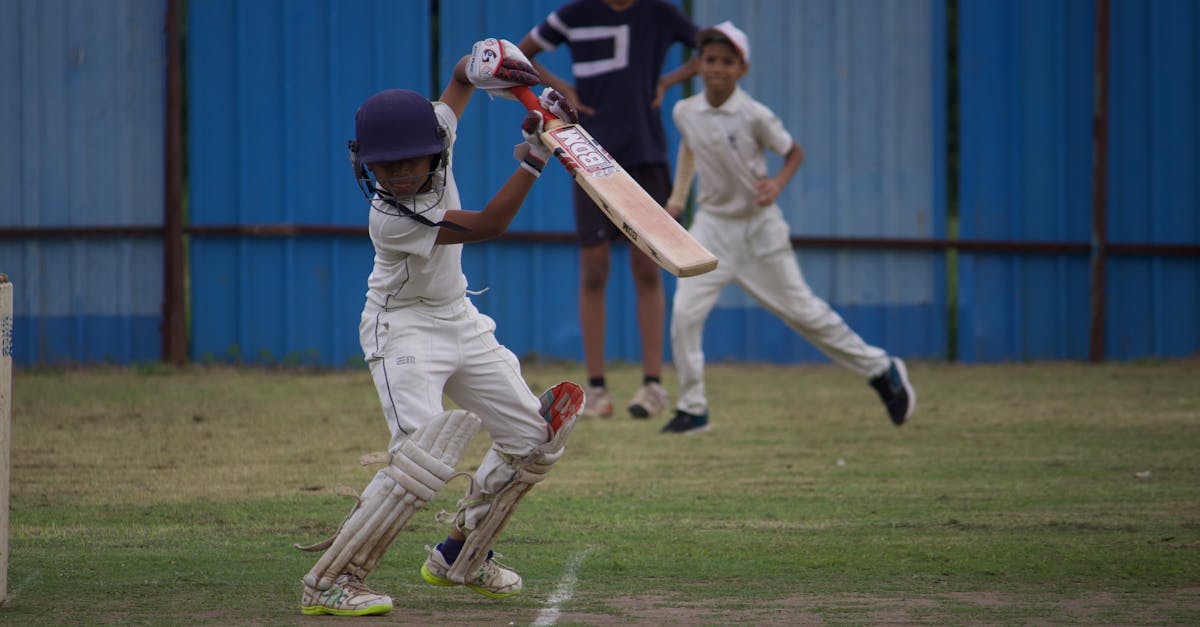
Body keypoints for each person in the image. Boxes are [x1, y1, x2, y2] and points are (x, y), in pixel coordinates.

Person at [296, 39, 585, 616]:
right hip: (401, 329)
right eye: (384, 165)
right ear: (365, 165)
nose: (400, 174)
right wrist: (536, 153)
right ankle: (331, 581)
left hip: (459, 316)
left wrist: (482, 64)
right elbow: (487, 226)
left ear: (433, 150)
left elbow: (460, 82)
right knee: (421, 459)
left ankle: (461, 554)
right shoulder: (390, 217)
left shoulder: (438, 132)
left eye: (410, 162)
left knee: (535, 441)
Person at [660, 22, 916, 435]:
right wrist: (676, 199)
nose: (718, 69)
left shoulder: (754, 114)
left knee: (805, 313)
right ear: (699, 65)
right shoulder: (684, 111)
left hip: (760, 231)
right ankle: (693, 409)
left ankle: (881, 369)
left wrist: (776, 185)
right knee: (684, 315)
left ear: (742, 69)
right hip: (710, 229)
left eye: (728, 62)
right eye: (710, 60)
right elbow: (689, 149)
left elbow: (794, 151)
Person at [518, 0, 699, 420]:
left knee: (647, 267)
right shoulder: (575, 13)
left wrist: (668, 81)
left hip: (646, 153)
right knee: (595, 269)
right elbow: (521, 55)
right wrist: (565, 90)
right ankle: (596, 391)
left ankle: (652, 386)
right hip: (588, 154)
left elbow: (708, 44)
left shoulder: (659, 13)